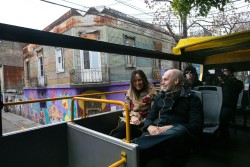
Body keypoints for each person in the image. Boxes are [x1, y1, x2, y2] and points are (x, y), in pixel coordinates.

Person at [134, 69, 204, 167]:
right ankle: (141, 146)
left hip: (177, 139)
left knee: (180, 131)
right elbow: (150, 118)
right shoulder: (159, 98)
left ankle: (136, 145)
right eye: (162, 80)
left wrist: (172, 127)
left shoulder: (192, 100)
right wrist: (150, 126)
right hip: (155, 132)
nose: (161, 83)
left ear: (176, 81)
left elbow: (196, 126)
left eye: (165, 80)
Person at [112, 69, 157, 139]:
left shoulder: (152, 93)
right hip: (130, 119)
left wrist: (143, 121)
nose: (137, 83)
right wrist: (132, 117)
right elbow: (125, 110)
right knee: (123, 128)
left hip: (144, 122)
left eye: (140, 80)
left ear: (144, 80)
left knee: (124, 131)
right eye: (135, 81)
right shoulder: (129, 93)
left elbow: (154, 112)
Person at [219, 67, 244, 141]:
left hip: (229, 107)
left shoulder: (237, 82)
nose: (224, 73)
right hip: (220, 105)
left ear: (231, 72)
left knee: (223, 116)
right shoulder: (222, 82)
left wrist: (225, 79)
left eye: (225, 71)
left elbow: (233, 88)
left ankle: (225, 137)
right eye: (223, 71)